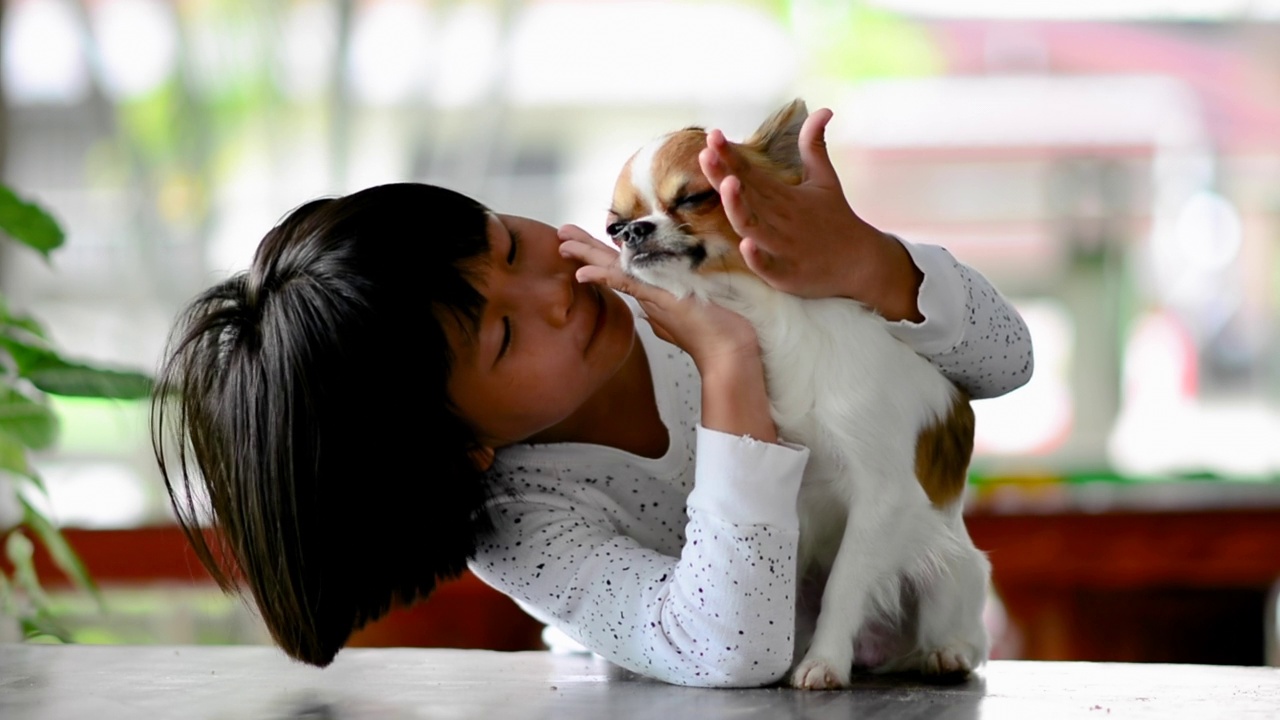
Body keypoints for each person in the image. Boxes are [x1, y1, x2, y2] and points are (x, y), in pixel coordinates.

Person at [152, 108, 1032, 687]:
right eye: (503, 335)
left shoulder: (682, 256)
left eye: (506, 245)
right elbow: (731, 648)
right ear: (463, 448)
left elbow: (1004, 363)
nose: (554, 291)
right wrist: (728, 373)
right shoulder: (527, 527)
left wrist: (869, 265)